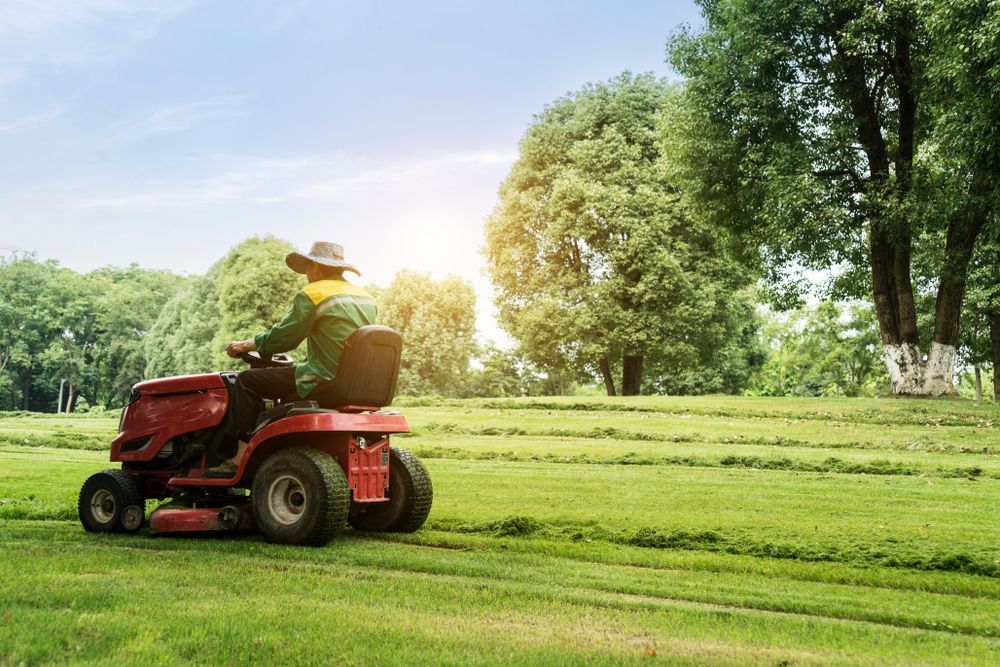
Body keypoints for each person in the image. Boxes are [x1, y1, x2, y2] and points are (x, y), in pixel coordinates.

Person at [206, 241, 377, 476]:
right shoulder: (365, 297)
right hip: (359, 381)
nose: (306, 274)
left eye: (307, 268)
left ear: (315, 266)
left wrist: (244, 345)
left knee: (247, 381)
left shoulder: (314, 294)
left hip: (324, 376)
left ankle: (238, 456)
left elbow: (283, 338)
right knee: (285, 387)